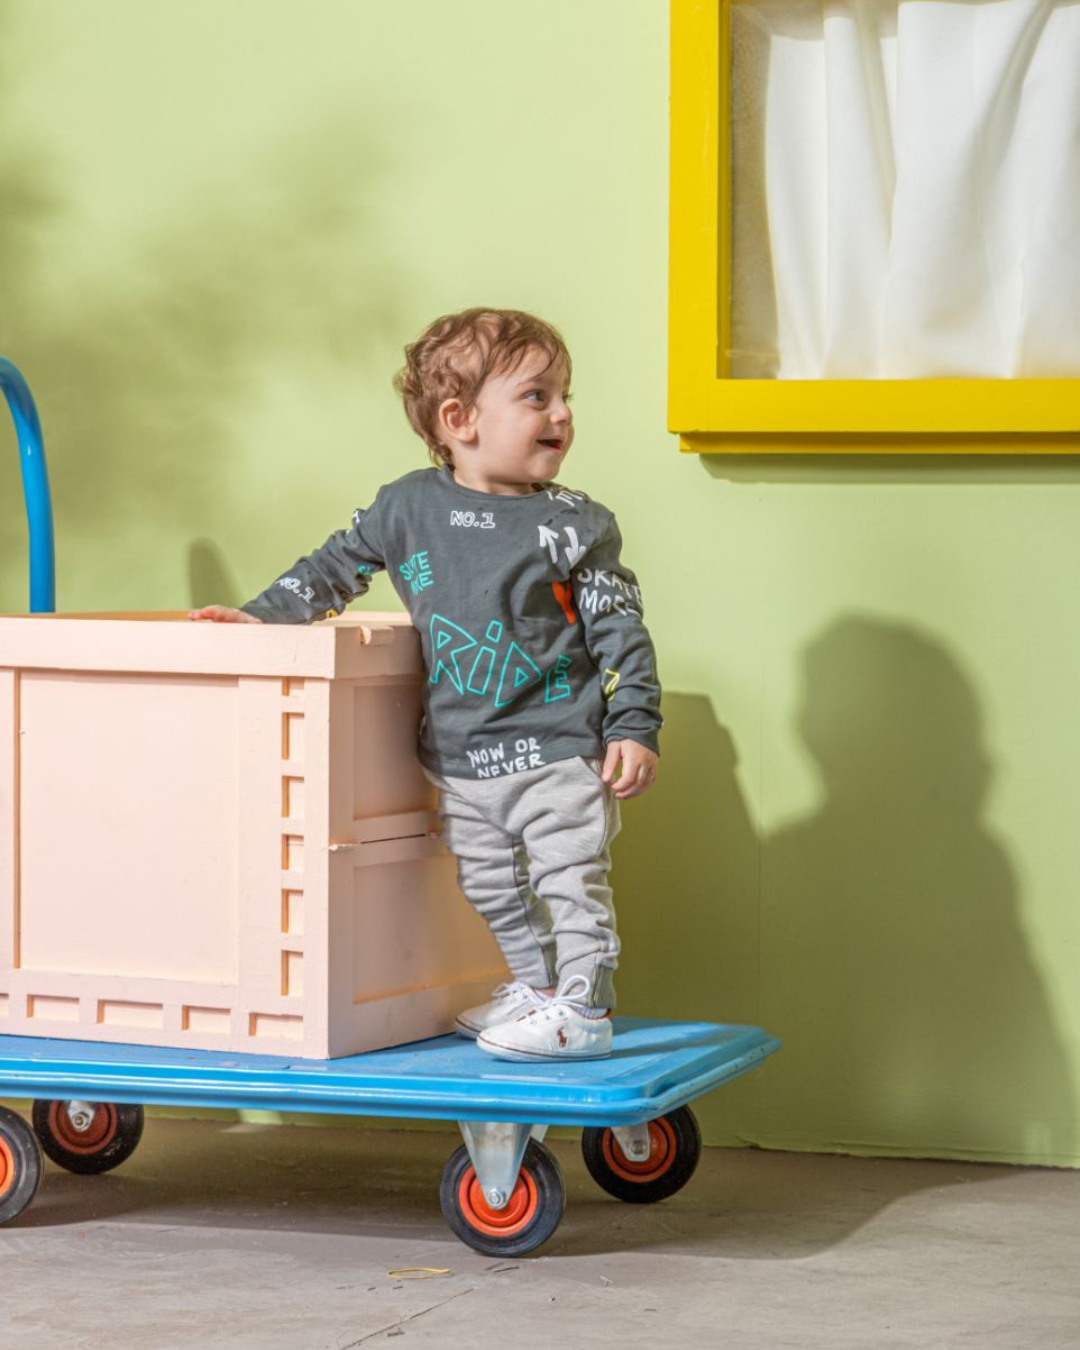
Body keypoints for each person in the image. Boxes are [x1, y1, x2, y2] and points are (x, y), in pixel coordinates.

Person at [190, 308, 662, 1060]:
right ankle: (539, 990)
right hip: (460, 757)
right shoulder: (407, 507)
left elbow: (620, 629)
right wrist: (259, 619)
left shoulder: (577, 524)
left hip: (558, 751)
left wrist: (633, 723)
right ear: (459, 419)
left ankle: (584, 1008)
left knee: (570, 881)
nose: (563, 414)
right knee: (489, 885)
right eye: (537, 396)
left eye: (565, 396)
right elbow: (332, 568)